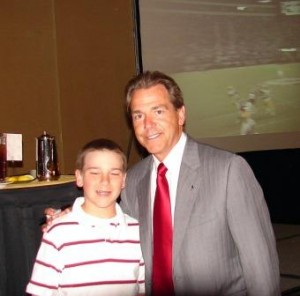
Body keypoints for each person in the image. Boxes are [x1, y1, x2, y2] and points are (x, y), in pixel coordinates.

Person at [45, 71, 280, 296]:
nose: (148, 124)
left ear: (180, 115)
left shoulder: (228, 170)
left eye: (158, 111)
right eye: (138, 115)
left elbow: (261, 267)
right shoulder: (134, 179)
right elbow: (112, 227)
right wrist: (71, 218)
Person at [28, 139, 145, 296]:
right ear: (80, 177)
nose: (105, 181)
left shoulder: (137, 232)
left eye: (114, 173)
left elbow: (143, 289)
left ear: (124, 180)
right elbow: (40, 291)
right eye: (95, 173)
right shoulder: (58, 232)